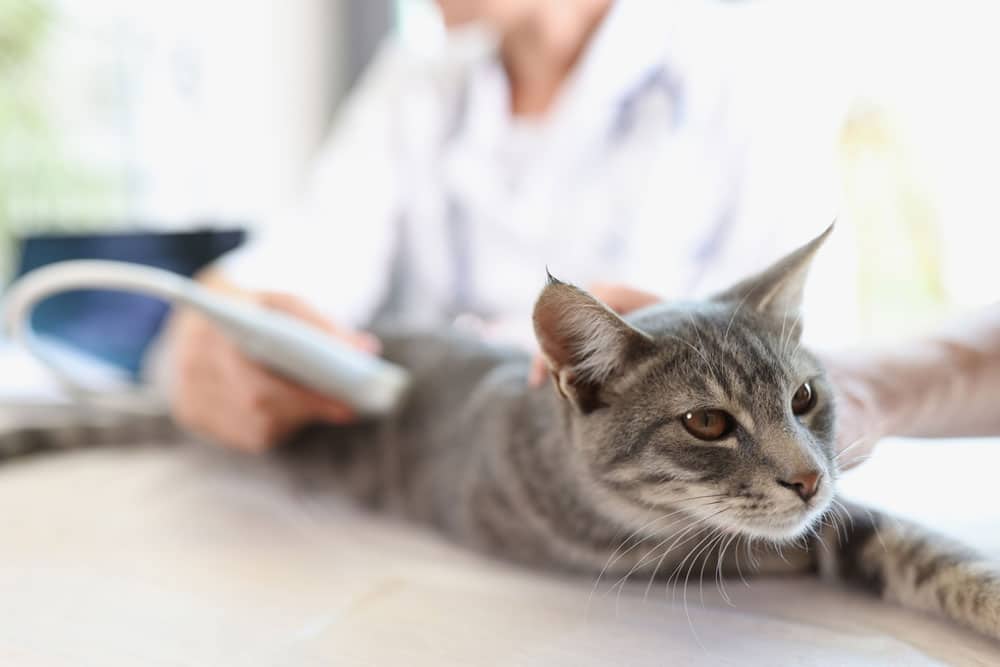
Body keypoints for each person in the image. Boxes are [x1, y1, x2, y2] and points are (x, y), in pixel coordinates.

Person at [165, 0, 845, 452]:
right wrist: (209, 332)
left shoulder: (747, 77)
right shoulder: (415, 82)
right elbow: (299, 259)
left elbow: (817, 380)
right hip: (429, 506)